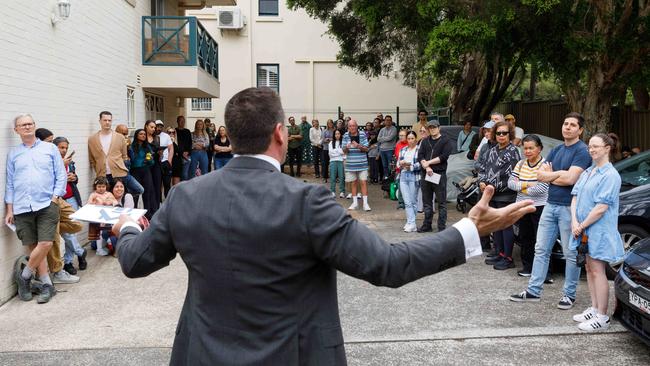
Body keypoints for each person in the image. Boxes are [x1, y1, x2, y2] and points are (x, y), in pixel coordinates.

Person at [110, 87, 534, 364]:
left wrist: (127, 223)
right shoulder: (306, 201)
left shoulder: (186, 197)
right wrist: (467, 231)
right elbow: (386, 265)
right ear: (281, 134)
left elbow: (135, 260)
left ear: (232, 137)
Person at [510, 112, 592, 310]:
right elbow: (540, 175)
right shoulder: (556, 150)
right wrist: (556, 175)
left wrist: (551, 175)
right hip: (550, 204)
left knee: (570, 252)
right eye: (565, 123)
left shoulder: (582, 151)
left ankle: (569, 295)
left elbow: (571, 179)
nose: (568, 127)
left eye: (573, 125)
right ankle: (533, 291)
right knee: (541, 249)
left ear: (580, 130)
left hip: (568, 208)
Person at [6, 114, 66, 303]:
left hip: (47, 204)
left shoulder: (50, 149)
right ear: (16, 130)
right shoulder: (13, 154)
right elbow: (10, 184)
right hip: (22, 206)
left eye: (30, 123)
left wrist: (55, 197)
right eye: (22, 125)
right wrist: (9, 209)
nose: (27, 127)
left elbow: (61, 174)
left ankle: (24, 277)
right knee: (33, 246)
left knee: (46, 243)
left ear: (35, 126)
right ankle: (47, 284)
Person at [570, 133, 624, 331]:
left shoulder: (611, 175)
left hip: (598, 230)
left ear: (607, 148)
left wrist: (581, 225)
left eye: (596, 146)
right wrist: (575, 221)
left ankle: (602, 317)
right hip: (582, 229)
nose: (591, 150)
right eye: (589, 147)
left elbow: (601, 208)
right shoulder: (588, 172)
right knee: (589, 268)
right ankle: (594, 307)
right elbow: (574, 197)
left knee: (597, 270)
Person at [479, 121, 521, 270]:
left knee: (505, 225)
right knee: (496, 224)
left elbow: (508, 175)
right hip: (491, 193)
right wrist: (482, 181)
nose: (501, 136)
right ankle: (499, 252)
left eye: (505, 133)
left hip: (506, 194)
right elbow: (482, 167)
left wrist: (491, 185)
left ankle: (508, 258)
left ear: (510, 135)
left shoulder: (513, 151)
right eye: (498, 133)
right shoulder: (492, 150)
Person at [507, 135, 548, 277]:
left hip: (540, 206)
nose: (528, 151)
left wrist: (521, 187)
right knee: (525, 237)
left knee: (541, 239)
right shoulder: (520, 164)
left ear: (540, 149)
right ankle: (527, 267)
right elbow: (511, 183)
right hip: (522, 205)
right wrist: (528, 184)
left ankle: (544, 272)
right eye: (525, 148)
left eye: (531, 148)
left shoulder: (545, 165)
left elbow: (542, 188)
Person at [53, 136, 87, 275]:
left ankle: (68, 262)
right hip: (58, 200)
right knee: (65, 232)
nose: (64, 150)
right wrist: (62, 168)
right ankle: (80, 252)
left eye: (65, 148)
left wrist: (74, 178)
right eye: (61, 147)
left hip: (71, 198)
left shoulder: (69, 162)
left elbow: (74, 179)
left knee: (71, 230)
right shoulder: (52, 161)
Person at [417, 121, 454, 232]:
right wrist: (426, 166)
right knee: (427, 201)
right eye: (430, 127)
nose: (432, 129)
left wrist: (428, 163)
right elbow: (420, 155)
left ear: (439, 127)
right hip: (426, 174)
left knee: (441, 202)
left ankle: (441, 227)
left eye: (434, 127)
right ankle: (427, 225)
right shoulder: (425, 141)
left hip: (439, 174)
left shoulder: (446, 140)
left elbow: (443, 156)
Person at [88, 111, 130, 188]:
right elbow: (92, 159)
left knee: (121, 198)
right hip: (102, 176)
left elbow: (124, 156)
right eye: (105, 120)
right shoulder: (92, 139)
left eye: (109, 120)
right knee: (106, 198)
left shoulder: (120, 137)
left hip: (119, 174)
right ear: (100, 121)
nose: (107, 122)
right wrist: (98, 169)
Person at [343, 119, 371, 211]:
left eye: (353, 125)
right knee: (353, 183)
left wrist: (358, 146)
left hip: (362, 163)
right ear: (348, 127)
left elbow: (367, 149)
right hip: (351, 164)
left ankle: (365, 204)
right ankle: (355, 203)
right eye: (350, 126)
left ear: (357, 126)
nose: (352, 127)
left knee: (363, 182)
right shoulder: (346, 135)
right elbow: (343, 151)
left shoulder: (362, 134)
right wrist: (346, 148)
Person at [87, 176, 119, 256]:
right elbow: (88, 205)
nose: (101, 188)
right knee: (98, 233)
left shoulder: (109, 194)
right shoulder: (93, 195)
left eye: (103, 186)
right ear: (95, 187)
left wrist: (110, 202)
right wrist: (94, 203)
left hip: (107, 217)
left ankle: (106, 245)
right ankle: (99, 249)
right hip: (97, 217)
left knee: (105, 233)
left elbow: (115, 202)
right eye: (99, 186)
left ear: (106, 186)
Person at [130, 129, 157, 220]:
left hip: (146, 170)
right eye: (141, 134)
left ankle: (148, 215)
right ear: (136, 135)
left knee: (147, 192)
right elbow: (132, 160)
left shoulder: (147, 147)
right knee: (135, 192)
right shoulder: (131, 147)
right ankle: (134, 214)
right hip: (135, 171)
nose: (143, 135)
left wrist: (149, 160)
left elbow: (152, 162)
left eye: (144, 134)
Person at [398, 131, 421, 232]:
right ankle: (411, 222)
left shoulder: (419, 150)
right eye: (409, 138)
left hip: (414, 176)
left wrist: (410, 166)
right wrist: (401, 163)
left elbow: (420, 164)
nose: (410, 141)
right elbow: (398, 164)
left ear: (415, 139)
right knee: (407, 202)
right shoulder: (403, 150)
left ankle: (412, 223)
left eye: (412, 138)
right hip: (403, 176)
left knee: (413, 201)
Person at [144, 120, 162, 215]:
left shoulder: (157, 138)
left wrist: (160, 153)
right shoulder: (143, 137)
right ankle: (148, 211)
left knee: (157, 185)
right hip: (146, 164)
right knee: (148, 186)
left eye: (154, 127)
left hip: (156, 164)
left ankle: (156, 210)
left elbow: (159, 152)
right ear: (146, 126)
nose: (153, 129)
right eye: (151, 127)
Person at [155, 120, 174, 199]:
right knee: (158, 184)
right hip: (156, 163)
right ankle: (158, 202)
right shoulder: (151, 136)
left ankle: (167, 200)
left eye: (160, 127)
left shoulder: (166, 136)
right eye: (157, 126)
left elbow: (171, 148)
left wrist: (169, 160)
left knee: (167, 183)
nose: (159, 128)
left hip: (165, 162)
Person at [377, 115, 397, 181]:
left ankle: (391, 178)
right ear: (384, 121)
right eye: (386, 120)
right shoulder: (382, 129)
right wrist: (385, 138)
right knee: (384, 165)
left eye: (389, 120)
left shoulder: (394, 129)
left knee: (390, 165)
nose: (388, 121)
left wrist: (382, 139)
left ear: (391, 121)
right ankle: (386, 177)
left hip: (390, 149)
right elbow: (378, 139)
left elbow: (390, 138)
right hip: (382, 150)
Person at [328, 129, 346, 198]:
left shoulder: (343, 143)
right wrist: (339, 151)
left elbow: (344, 153)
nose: (337, 135)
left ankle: (342, 191)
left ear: (340, 135)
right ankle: (332, 191)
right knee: (332, 177)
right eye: (336, 134)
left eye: (338, 134)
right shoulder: (331, 143)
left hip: (341, 161)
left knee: (341, 177)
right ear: (334, 135)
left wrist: (336, 151)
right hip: (333, 161)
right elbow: (330, 153)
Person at [175, 115, 192, 181]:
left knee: (185, 175)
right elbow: (174, 144)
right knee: (178, 175)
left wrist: (188, 152)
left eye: (183, 121)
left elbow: (190, 143)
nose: (182, 122)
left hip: (187, 155)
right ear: (177, 121)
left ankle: (184, 188)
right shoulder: (174, 131)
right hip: (177, 156)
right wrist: (181, 153)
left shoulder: (187, 131)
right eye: (180, 121)